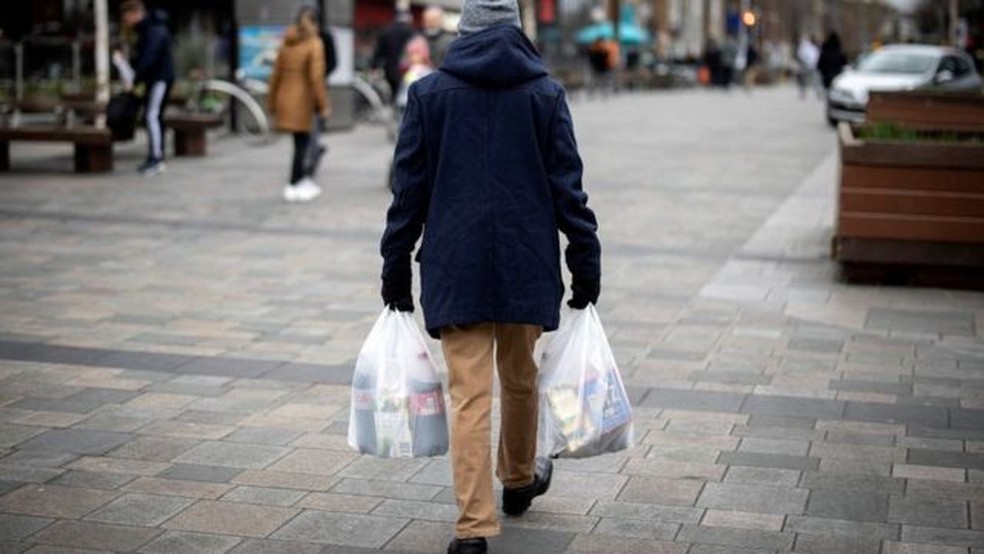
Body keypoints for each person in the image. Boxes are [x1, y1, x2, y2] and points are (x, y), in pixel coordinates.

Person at [378, 0, 602, 551]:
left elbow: (408, 194)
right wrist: (585, 261)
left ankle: (474, 528)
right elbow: (568, 192)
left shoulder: (429, 95)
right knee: (521, 375)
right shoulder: (545, 94)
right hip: (526, 261)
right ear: (516, 30)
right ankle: (519, 478)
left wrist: (395, 266)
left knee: (469, 395)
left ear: (465, 30)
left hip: (457, 265)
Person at [267, 7, 330, 203]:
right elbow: (316, 78)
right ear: (314, 24)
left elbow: (275, 75)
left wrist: (271, 103)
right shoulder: (314, 43)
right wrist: (324, 104)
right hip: (302, 100)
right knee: (302, 143)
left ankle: (299, 180)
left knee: (299, 142)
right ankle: (295, 183)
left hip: (284, 97)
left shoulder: (287, 41)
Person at [120, 0, 174, 176]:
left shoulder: (152, 31)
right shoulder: (149, 29)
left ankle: (156, 158)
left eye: (126, 17)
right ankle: (156, 156)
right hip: (157, 79)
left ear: (135, 13)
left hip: (159, 79)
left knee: (152, 116)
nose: (126, 22)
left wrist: (135, 78)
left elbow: (148, 59)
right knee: (154, 116)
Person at [371, 8, 415, 102]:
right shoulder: (411, 32)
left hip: (389, 69)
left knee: (392, 95)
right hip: (408, 70)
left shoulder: (386, 31)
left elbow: (378, 51)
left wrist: (374, 66)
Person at [796, 34, 821, 99]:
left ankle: (817, 92)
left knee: (814, 80)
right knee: (805, 80)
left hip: (812, 65)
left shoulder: (815, 47)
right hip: (807, 65)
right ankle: (803, 93)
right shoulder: (805, 46)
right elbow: (801, 55)